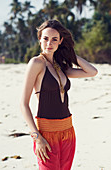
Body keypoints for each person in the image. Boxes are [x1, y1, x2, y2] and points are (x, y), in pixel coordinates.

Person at [20, 19, 98, 170]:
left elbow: (92, 72)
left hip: (68, 131)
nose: (49, 43)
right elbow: (23, 104)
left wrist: (70, 54)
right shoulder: (36, 63)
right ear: (39, 40)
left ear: (60, 41)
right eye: (45, 38)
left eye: (54, 39)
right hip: (46, 133)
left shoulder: (60, 66)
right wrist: (37, 137)